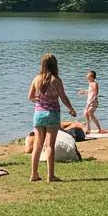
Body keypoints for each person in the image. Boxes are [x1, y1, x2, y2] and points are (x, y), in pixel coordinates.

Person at [27, 53, 78, 183]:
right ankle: (50, 175)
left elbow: (30, 97)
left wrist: (39, 101)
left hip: (38, 114)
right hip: (52, 114)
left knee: (38, 144)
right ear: (55, 65)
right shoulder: (56, 80)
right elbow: (63, 97)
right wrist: (71, 109)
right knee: (49, 145)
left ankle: (34, 174)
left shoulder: (36, 79)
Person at [79, 70, 102, 134]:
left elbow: (95, 94)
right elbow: (90, 91)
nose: (86, 75)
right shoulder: (90, 83)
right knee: (88, 114)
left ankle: (90, 128)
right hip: (89, 102)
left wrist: (90, 102)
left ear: (91, 76)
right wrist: (84, 91)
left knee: (87, 113)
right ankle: (90, 128)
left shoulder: (94, 84)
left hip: (93, 102)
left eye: (88, 74)